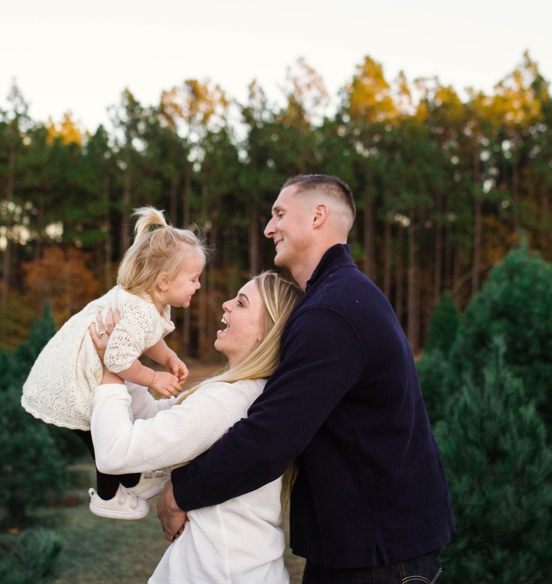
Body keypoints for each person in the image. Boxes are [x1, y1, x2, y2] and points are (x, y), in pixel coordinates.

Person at [157, 174, 453, 583]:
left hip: (381, 556)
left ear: (318, 216)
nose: (268, 228)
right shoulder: (337, 298)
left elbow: (272, 435)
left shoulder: (333, 311)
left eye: (279, 214)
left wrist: (180, 492)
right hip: (362, 546)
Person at [85, 272, 305, 583]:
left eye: (241, 303)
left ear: (266, 332)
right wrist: (126, 362)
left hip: (222, 572)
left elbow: (114, 454)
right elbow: (150, 419)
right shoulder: (246, 393)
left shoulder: (226, 401)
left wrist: (110, 373)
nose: (227, 304)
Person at [20, 206, 197, 519]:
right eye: (194, 279)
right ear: (164, 282)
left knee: (120, 419)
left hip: (75, 371)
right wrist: (154, 379)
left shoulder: (143, 301)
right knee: (103, 435)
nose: (198, 286)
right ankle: (107, 495)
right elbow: (116, 359)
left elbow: (148, 339)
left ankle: (134, 478)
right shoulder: (140, 309)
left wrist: (168, 356)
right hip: (74, 382)